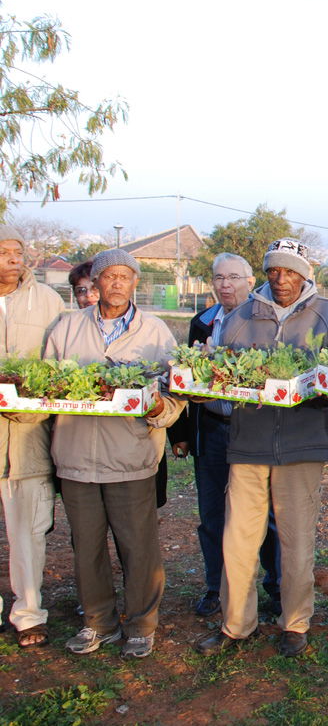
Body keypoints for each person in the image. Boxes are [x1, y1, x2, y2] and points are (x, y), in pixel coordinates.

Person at [195, 238, 328, 659]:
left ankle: (295, 622)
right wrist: (204, 393)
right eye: (273, 271)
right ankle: (235, 624)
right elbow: (220, 383)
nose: (281, 279)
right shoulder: (240, 316)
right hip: (248, 443)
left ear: (306, 274)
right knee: (239, 539)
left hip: (303, 444)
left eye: (289, 271)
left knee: (296, 539)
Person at [42, 248, 184, 658]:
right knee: (86, 545)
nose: (117, 283)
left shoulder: (155, 331)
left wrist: (161, 411)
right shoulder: (67, 329)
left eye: (125, 276)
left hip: (131, 455)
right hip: (75, 457)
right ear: (97, 282)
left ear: (135, 282)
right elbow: (44, 391)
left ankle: (141, 624)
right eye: (109, 276)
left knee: (138, 546)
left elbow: (176, 394)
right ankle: (98, 622)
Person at [168, 253, 281, 619]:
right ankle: (217, 587)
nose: (225, 284)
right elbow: (185, 381)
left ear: (251, 282)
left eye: (234, 277)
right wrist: (181, 434)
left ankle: (275, 586)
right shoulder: (201, 323)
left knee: (263, 515)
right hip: (213, 429)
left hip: (253, 429)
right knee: (213, 513)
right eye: (218, 277)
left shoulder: (263, 322)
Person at [0, 225, 64, 648]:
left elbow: (64, 367)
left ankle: (28, 613)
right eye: (4, 252)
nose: (13, 259)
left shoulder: (49, 301)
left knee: (28, 531)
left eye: (17, 251)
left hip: (27, 437)